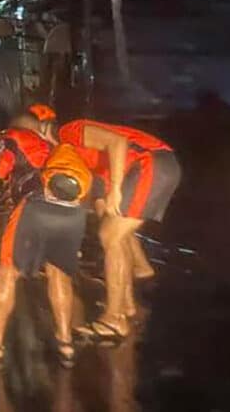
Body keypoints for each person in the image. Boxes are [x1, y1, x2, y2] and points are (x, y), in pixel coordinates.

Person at [0, 141, 94, 366]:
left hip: (36, 207)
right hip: (73, 213)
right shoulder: (70, 151)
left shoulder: (19, 138)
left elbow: (0, 165)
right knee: (59, 275)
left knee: (7, 272)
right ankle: (65, 342)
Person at [59, 118, 181, 340]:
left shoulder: (68, 132)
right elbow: (99, 200)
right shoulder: (82, 163)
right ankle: (125, 306)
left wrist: (115, 189)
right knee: (113, 232)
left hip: (151, 163)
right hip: (153, 166)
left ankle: (114, 319)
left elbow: (118, 143)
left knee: (110, 236)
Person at [0, 103, 57, 218]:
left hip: (31, 205)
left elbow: (2, 162)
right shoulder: (55, 150)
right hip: (45, 205)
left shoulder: (19, 139)